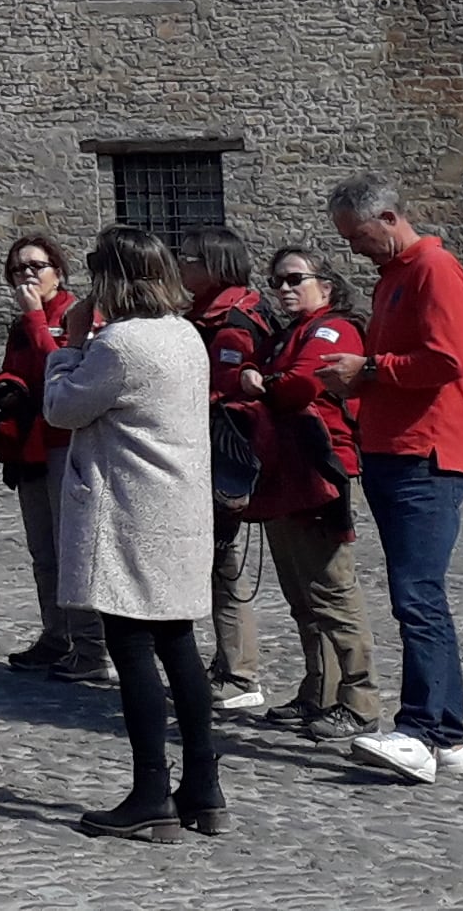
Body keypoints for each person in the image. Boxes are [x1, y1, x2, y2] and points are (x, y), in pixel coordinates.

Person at [42, 227, 221, 844]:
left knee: (133, 648)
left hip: (132, 512)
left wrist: (64, 349)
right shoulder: (185, 335)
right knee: (179, 645)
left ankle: (150, 792)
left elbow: (62, 408)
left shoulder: (121, 345)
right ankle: (203, 784)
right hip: (179, 509)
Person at [306, 172, 463, 786]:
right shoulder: (393, 278)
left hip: (424, 456)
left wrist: (370, 369)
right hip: (392, 450)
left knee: (417, 596)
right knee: (420, 594)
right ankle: (449, 732)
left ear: (387, 218)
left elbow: (447, 359)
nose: (354, 248)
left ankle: (421, 732)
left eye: (358, 236)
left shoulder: (433, 271)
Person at [251, 246, 377, 739]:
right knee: (303, 595)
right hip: (287, 471)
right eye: (277, 280)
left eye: (294, 278)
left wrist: (260, 382)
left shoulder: (333, 329)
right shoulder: (291, 335)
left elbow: (299, 384)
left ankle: (361, 700)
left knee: (332, 590)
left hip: (321, 472)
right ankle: (319, 690)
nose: (284, 288)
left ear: (325, 286)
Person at [0, 233, 105, 685]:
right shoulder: (21, 323)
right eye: (18, 269)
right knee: (43, 551)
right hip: (30, 446)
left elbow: (65, 368)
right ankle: (56, 635)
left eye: (36, 266)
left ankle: (92, 648)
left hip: (67, 444)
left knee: (73, 548)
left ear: (58, 270)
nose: (27, 275)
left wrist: (38, 319)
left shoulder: (75, 315)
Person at [182, 225, 269, 715]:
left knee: (225, 563)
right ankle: (228, 663)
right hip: (211, 453)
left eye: (190, 256)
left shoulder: (233, 323)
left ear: (214, 264)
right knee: (216, 564)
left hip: (225, 457)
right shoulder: (207, 314)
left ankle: (240, 671)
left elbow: (224, 392)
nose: (181, 264)